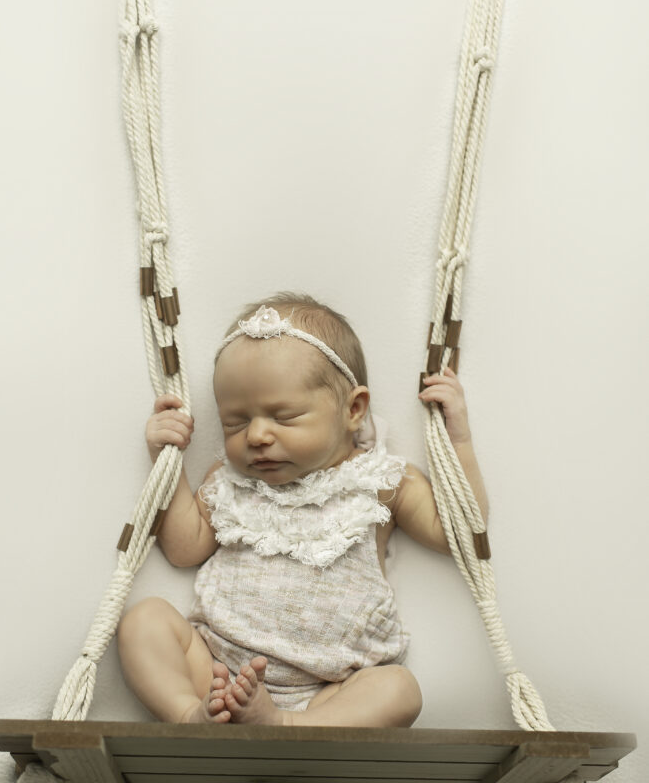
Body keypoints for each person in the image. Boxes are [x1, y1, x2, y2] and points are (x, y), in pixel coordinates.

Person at [116, 293, 489, 728]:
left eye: (285, 416)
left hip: (327, 692)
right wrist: (167, 460)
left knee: (399, 689)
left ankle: (286, 726)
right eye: (235, 422)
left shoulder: (381, 480)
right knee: (144, 620)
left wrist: (457, 442)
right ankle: (189, 717)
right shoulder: (228, 480)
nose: (256, 435)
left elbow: (460, 535)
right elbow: (183, 548)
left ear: (353, 409)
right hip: (216, 669)